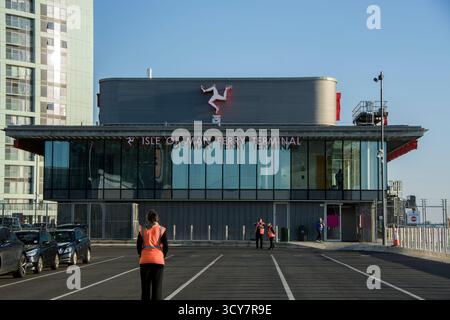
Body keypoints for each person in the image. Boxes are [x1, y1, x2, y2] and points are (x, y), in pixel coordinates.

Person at [137, 209, 169, 301]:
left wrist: (141, 255)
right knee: (157, 288)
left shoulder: (142, 230)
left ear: (147, 219)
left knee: (145, 288)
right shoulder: (161, 229)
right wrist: (162, 256)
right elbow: (166, 246)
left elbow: (138, 245)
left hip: (145, 260)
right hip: (158, 261)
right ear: (157, 219)